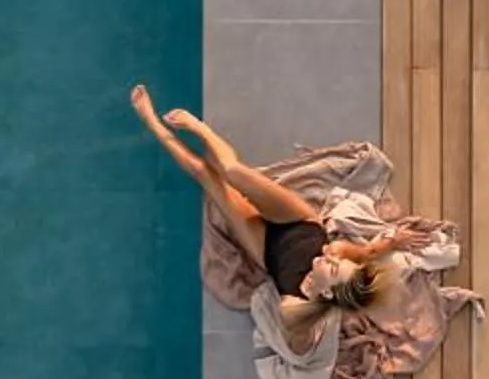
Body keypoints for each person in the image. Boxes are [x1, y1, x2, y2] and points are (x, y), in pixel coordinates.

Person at [132, 85, 408, 342]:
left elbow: (290, 333)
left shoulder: (296, 306)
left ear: (326, 291)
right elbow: (368, 252)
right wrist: (394, 241)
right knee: (232, 171)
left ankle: (152, 122)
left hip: (264, 247)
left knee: (208, 177)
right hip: (298, 220)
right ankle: (199, 128)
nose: (332, 256)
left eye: (333, 268)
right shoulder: (337, 251)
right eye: (339, 261)